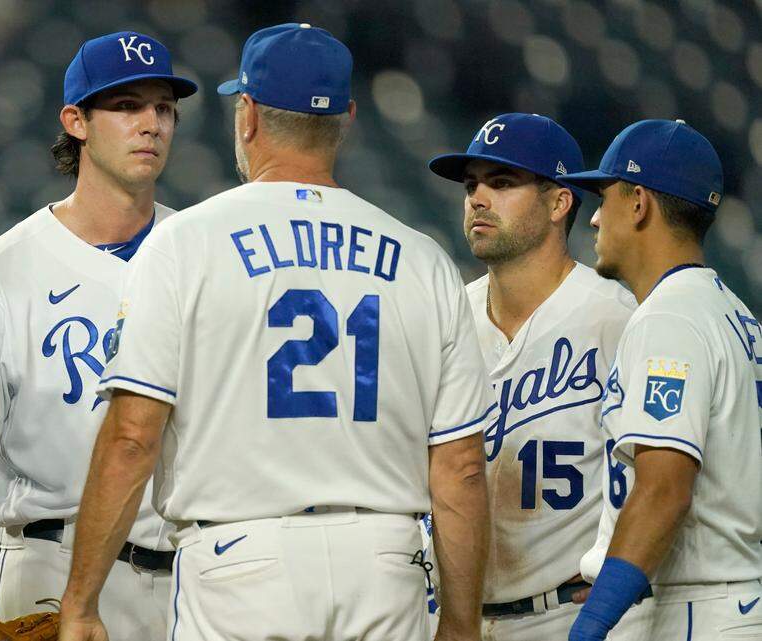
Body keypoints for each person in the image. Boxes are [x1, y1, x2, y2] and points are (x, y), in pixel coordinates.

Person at [59, 23, 495, 641]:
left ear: (248, 114)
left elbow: (133, 437)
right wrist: (459, 623)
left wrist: (80, 602)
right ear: (346, 117)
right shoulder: (422, 259)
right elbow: (461, 469)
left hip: (241, 560)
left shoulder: (185, 242)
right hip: (386, 563)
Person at [0, 31, 196, 641]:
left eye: (163, 108)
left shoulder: (202, 252)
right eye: (126, 107)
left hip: (192, 571)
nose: (151, 124)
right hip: (52, 557)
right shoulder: (6, 267)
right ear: (75, 121)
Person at [429, 113, 651, 640]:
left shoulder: (618, 317)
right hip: (459, 617)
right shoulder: (444, 317)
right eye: (471, 184)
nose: (478, 197)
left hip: (573, 616)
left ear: (559, 202)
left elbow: (667, 476)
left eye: (502, 183)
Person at [560, 119, 762, 640]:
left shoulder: (669, 319)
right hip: (730, 598)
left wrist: (593, 623)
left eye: (604, 197)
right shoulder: (731, 312)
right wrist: (618, 568)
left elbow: (665, 489)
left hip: (700, 610)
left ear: (639, 203)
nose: (595, 219)